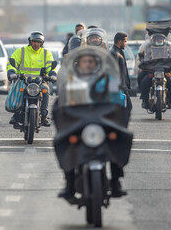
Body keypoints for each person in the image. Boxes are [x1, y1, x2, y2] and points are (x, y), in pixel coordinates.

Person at [54, 47, 128, 199]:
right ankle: (69, 184)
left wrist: (117, 111)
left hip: (103, 121)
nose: (88, 64)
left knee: (118, 141)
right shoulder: (71, 80)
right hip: (78, 122)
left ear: (97, 64)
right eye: (84, 61)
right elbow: (61, 104)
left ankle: (116, 182)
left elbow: (117, 98)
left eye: (91, 61)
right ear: (79, 64)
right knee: (65, 143)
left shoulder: (109, 79)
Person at [7, 31, 57, 127]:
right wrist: (12, 73)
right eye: (34, 41)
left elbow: (51, 66)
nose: (36, 44)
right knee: (19, 91)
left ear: (41, 43)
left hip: (40, 81)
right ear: (30, 41)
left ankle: (44, 115)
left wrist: (53, 75)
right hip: (23, 80)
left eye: (38, 42)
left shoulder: (46, 53)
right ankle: (16, 115)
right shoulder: (21, 51)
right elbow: (12, 63)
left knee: (45, 90)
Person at [138, 32, 171, 109]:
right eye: (157, 38)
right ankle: (145, 100)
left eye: (161, 38)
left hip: (165, 70)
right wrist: (143, 65)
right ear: (153, 38)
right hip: (151, 70)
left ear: (164, 38)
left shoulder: (169, 46)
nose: (159, 40)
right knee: (143, 82)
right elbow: (142, 57)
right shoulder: (147, 46)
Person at [109, 32, 132, 116]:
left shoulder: (119, 52)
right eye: (125, 41)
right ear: (120, 41)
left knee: (124, 107)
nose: (126, 43)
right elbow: (112, 71)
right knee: (128, 107)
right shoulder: (114, 53)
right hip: (118, 85)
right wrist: (114, 88)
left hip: (122, 85)